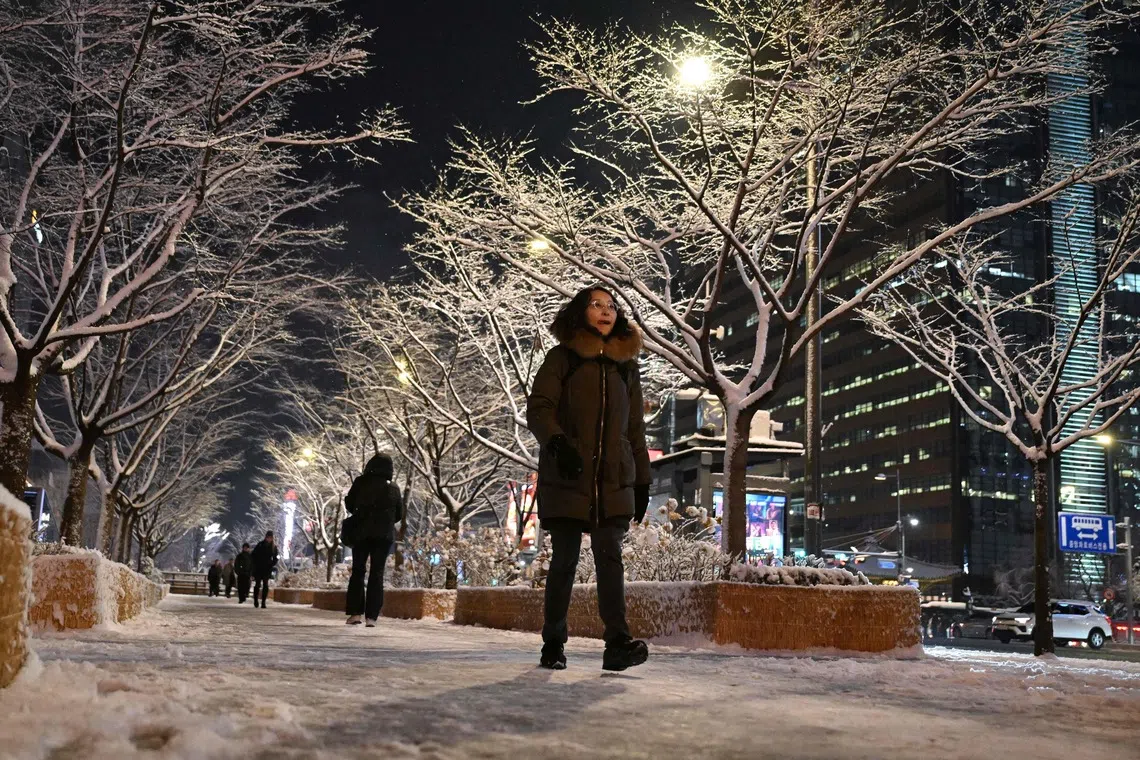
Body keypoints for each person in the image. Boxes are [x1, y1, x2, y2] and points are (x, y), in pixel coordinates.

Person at [526, 285, 652, 672]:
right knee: (564, 560)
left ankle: (617, 645)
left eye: (611, 305)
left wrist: (642, 479)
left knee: (610, 560)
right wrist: (558, 444)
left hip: (612, 478)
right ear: (581, 312)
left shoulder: (624, 368)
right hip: (569, 474)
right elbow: (539, 407)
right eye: (597, 304)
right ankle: (553, 643)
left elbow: (634, 429)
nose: (606, 311)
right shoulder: (563, 358)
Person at [344, 453, 403, 627]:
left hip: (361, 534)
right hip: (383, 536)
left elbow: (349, 504)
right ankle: (372, 617)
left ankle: (355, 614)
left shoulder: (361, 482)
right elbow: (399, 514)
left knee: (358, 571)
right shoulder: (393, 488)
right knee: (377, 573)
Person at [251, 532, 278, 608]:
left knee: (265, 585)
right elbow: (253, 555)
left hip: (267, 568)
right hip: (258, 568)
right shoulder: (260, 544)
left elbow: (276, 557)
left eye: (270, 538)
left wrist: (272, 564)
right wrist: (255, 564)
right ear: (266, 537)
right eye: (268, 537)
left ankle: (263, 602)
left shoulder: (274, 547)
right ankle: (256, 600)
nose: (269, 539)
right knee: (257, 584)